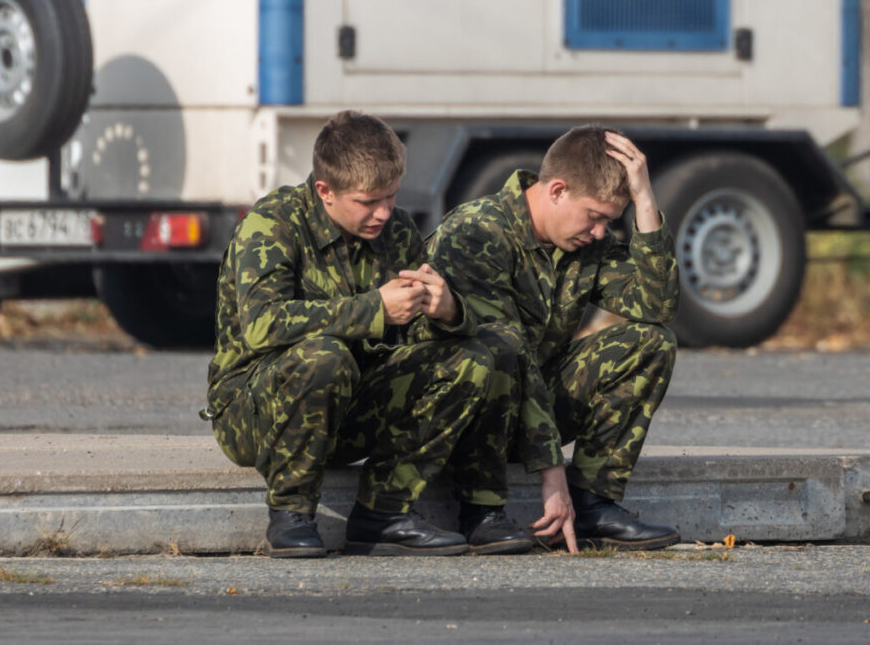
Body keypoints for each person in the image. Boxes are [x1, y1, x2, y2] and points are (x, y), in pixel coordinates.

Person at [202, 111, 530, 557]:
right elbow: (262, 326)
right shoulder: (273, 225)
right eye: (368, 202)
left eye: (391, 197)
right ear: (325, 191)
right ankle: (290, 513)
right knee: (324, 356)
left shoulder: (394, 232)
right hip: (256, 411)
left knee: (476, 354)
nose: (383, 213)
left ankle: (384, 514)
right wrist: (374, 308)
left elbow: (415, 341)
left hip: (349, 401)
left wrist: (448, 311)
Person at [426, 126, 681, 552]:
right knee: (497, 353)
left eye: (609, 221)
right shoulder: (478, 233)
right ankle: (481, 511)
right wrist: (552, 471)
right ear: (558, 190)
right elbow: (508, 352)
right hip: (460, 417)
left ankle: (595, 504)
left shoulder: (586, 246)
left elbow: (657, 306)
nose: (600, 232)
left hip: (528, 411)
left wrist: (645, 200)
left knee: (650, 342)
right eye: (595, 216)